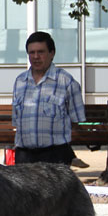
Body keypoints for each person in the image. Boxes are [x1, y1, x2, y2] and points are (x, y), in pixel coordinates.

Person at [12, 31, 85, 165]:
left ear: (52, 53)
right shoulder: (20, 82)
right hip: (24, 156)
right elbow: (16, 121)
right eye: (31, 52)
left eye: (41, 52)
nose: (36, 57)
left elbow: (77, 121)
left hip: (55, 156)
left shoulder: (66, 82)